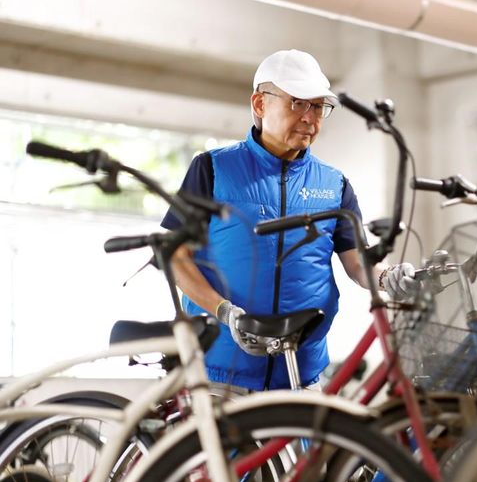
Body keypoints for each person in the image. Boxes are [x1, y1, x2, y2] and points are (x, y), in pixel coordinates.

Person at [162, 49, 418, 391]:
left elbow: (358, 263)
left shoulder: (335, 184)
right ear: (259, 104)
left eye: (318, 107)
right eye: (298, 103)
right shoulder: (212, 169)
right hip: (218, 373)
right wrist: (225, 312)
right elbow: (175, 257)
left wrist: (386, 277)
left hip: (301, 374)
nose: (310, 118)